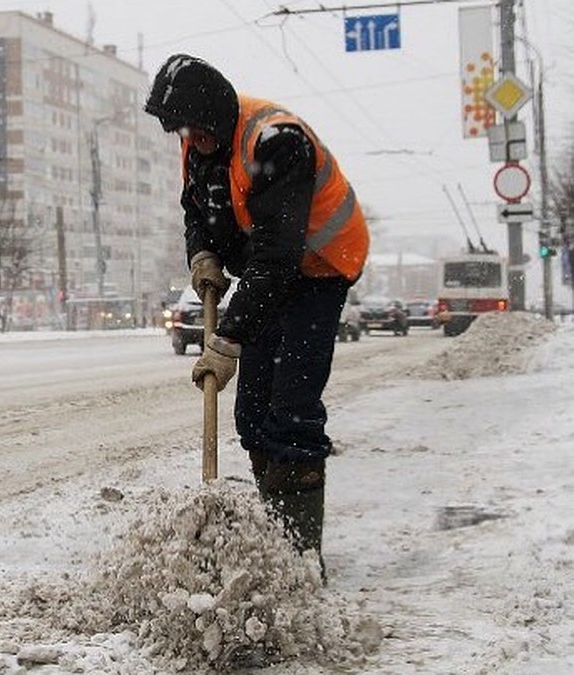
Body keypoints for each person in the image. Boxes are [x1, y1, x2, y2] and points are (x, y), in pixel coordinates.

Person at [143, 54, 370, 573]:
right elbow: (196, 209)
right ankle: (275, 530)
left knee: (292, 410)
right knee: (252, 414)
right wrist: (202, 254)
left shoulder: (276, 142)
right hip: (271, 274)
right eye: (182, 133)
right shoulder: (200, 146)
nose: (189, 141)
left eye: (196, 132)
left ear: (217, 120)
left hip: (321, 266)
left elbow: (276, 261)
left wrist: (225, 341)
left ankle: (299, 559)